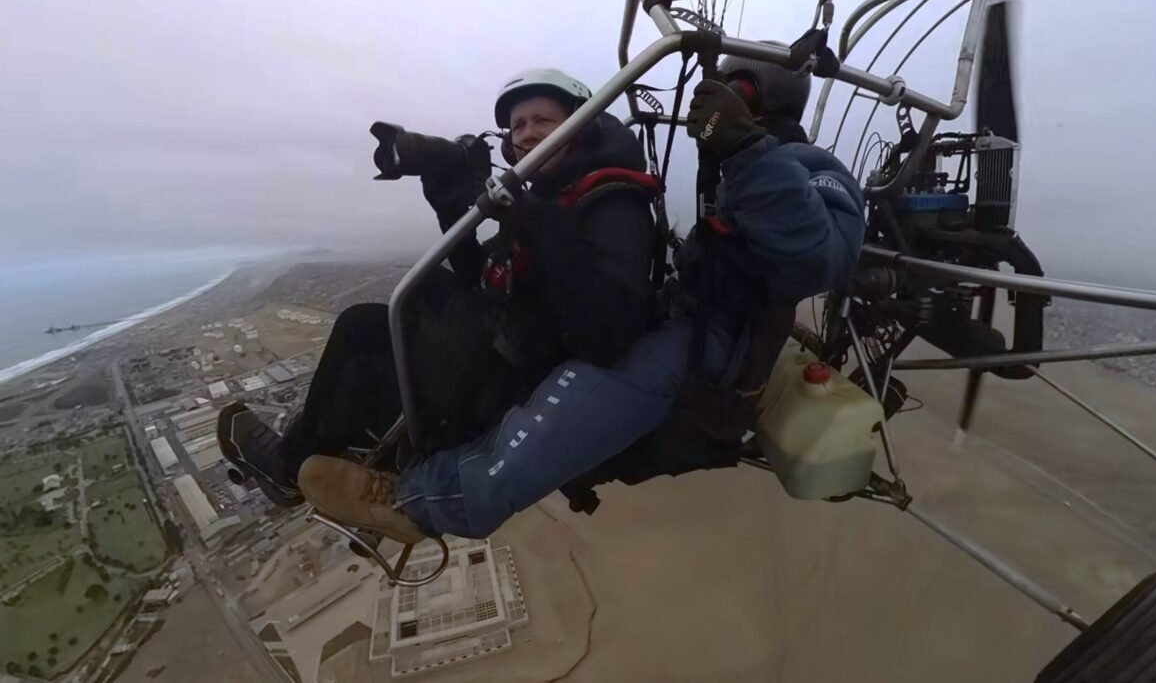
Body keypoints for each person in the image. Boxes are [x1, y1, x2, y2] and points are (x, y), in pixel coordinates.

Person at [296, 70, 867, 544]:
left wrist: (747, 148)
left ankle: (422, 501)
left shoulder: (809, 167)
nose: (525, 135)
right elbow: (496, 279)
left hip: (714, 339)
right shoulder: (731, 166)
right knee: (399, 319)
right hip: (687, 312)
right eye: (517, 126)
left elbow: (816, 262)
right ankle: (311, 453)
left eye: (736, 93)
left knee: (591, 386)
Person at [218, 68, 658, 508]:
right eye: (518, 126)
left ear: (581, 124)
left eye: (542, 120)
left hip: (516, 381)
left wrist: (534, 224)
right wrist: (450, 210)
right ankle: (345, 430)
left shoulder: (612, 202)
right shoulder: (548, 194)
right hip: (503, 342)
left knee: (360, 330)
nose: (526, 135)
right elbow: (482, 275)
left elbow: (607, 337)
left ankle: (288, 471)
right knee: (427, 287)